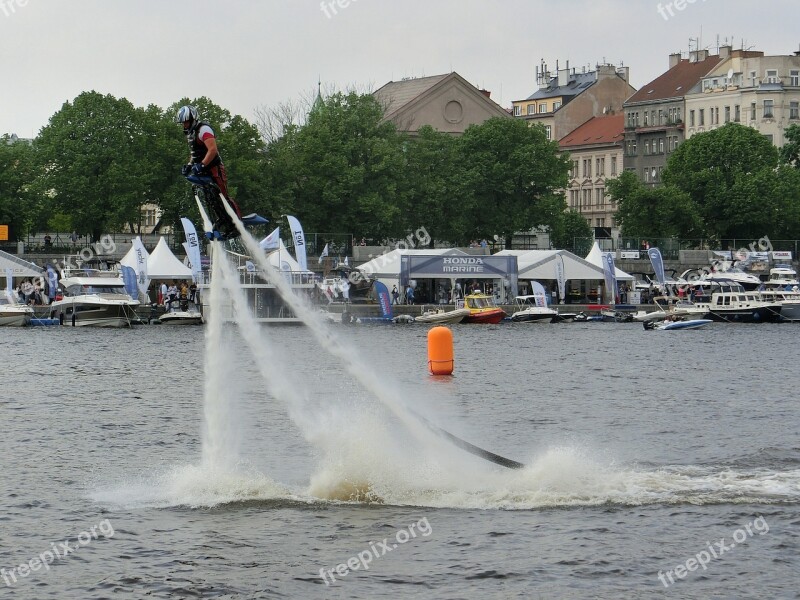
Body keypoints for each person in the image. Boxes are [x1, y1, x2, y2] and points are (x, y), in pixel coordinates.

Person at [176, 105, 242, 224]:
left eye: (186, 122)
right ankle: (221, 219)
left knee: (223, 195)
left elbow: (212, 150)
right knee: (210, 197)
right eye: (183, 123)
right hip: (203, 169)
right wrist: (189, 165)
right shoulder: (190, 133)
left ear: (193, 119)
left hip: (214, 168)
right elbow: (195, 153)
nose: (184, 125)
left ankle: (236, 221)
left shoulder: (204, 130)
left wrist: (201, 165)